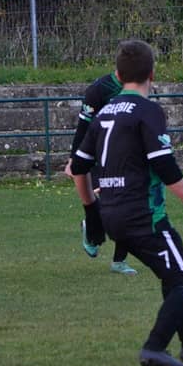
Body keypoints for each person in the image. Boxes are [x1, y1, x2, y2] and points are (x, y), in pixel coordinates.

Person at [71, 39, 183, 366]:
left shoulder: (104, 113)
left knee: (173, 273)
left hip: (112, 214)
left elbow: (78, 166)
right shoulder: (148, 111)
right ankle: (154, 348)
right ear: (152, 74)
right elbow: (164, 166)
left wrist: (91, 213)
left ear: (117, 75)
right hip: (143, 216)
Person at [66, 70, 137, 275]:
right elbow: (83, 127)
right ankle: (92, 227)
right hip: (101, 156)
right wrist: (73, 159)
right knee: (115, 208)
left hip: (127, 157)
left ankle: (119, 261)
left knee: (129, 207)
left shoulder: (137, 86)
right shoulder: (98, 90)